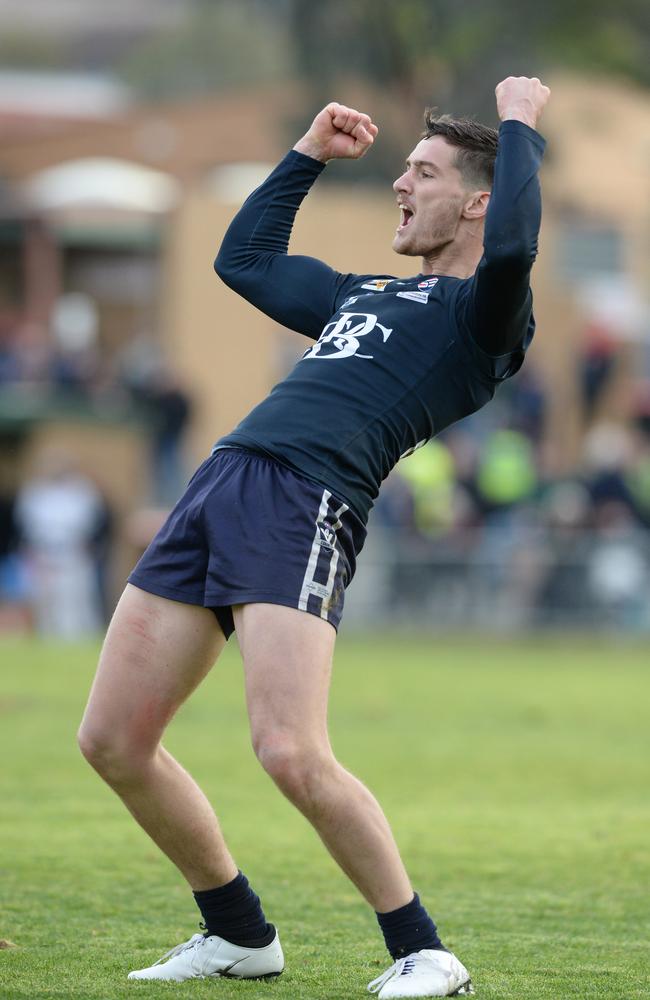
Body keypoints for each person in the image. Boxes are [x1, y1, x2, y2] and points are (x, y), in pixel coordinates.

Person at [78, 75, 549, 998]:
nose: (400, 184)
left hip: (307, 501)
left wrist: (520, 123)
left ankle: (424, 950)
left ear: (477, 200)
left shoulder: (484, 319)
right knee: (112, 741)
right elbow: (245, 260)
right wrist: (304, 157)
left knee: (290, 750)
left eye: (422, 171)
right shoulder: (359, 292)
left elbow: (519, 245)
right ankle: (238, 934)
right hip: (219, 481)